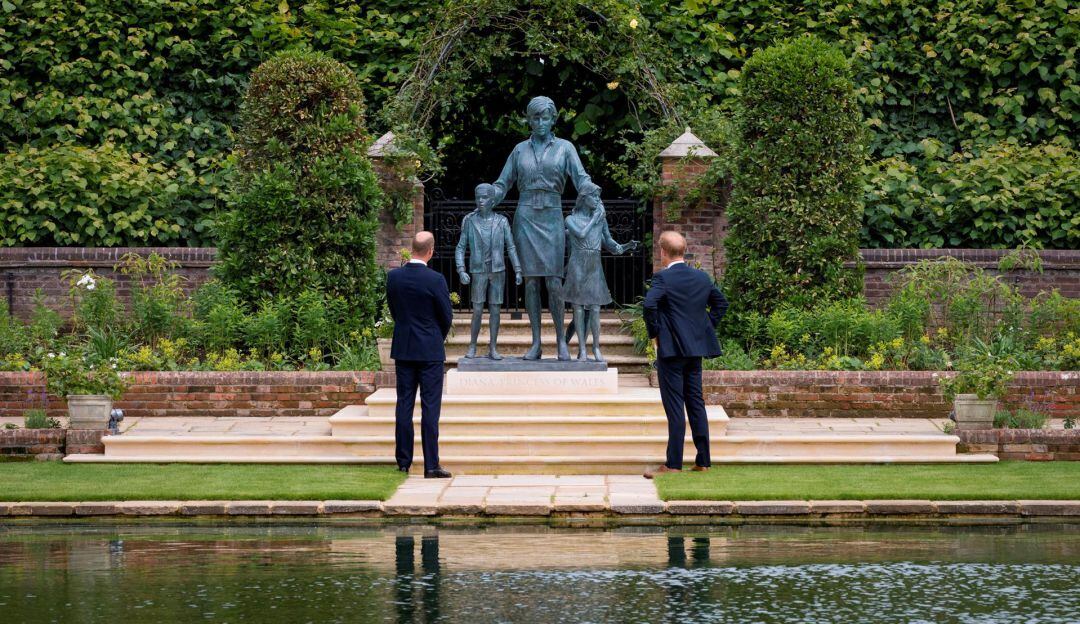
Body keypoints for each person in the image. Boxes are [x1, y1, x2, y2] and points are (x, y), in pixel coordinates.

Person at [489, 95, 594, 361]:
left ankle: (560, 340)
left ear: (553, 119)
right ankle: (536, 343)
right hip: (525, 217)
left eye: (545, 117)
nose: (540, 122)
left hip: (552, 215)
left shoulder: (565, 148)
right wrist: (491, 195)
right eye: (535, 117)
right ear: (529, 119)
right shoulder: (519, 150)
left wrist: (592, 193)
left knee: (554, 282)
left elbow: (580, 178)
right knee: (531, 282)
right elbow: (504, 183)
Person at [642, 231, 729, 479]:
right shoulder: (701, 277)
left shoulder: (662, 279)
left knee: (675, 408)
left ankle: (672, 464)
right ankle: (703, 461)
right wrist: (704, 328)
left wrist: (655, 333)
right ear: (684, 250)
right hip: (695, 351)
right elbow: (721, 304)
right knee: (695, 403)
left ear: (662, 251)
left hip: (671, 352)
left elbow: (649, 305)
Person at [385, 231, 454, 478]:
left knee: (404, 404)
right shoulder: (435, 279)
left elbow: (395, 312)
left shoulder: (394, 277)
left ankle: (403, 461)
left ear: (411, 248)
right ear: (430, 251)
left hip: (404, 348)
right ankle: (431, 465)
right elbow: (446, 316)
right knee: (430, 408)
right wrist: (436, 336)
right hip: (430, 351)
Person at [563, 181, 639, 361]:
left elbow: (609, 242)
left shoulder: (599, 219)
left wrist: (624, 246)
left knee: (595, 308)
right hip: (577, 265)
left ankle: (596, 347)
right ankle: (582, 350)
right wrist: (595, 219)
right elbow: (581, 234)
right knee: (579, 309)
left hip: (594, 265)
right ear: (583, 198)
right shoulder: (571, 219)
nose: (598, 200)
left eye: (599, 197)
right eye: (594, 196)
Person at [454, 183, 523, 360]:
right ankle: (472, 346)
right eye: (478, 197)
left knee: (495, 310)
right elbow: (460, 248)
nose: (481, 201)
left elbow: (511, 247)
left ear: (493, 200)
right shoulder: (470, 221)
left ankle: (493, 347)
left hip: (497, 270)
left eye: (484, 197)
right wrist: (461, 270)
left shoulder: (502, 221)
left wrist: (517, 269)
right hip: (478, 271)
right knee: (477, 309)